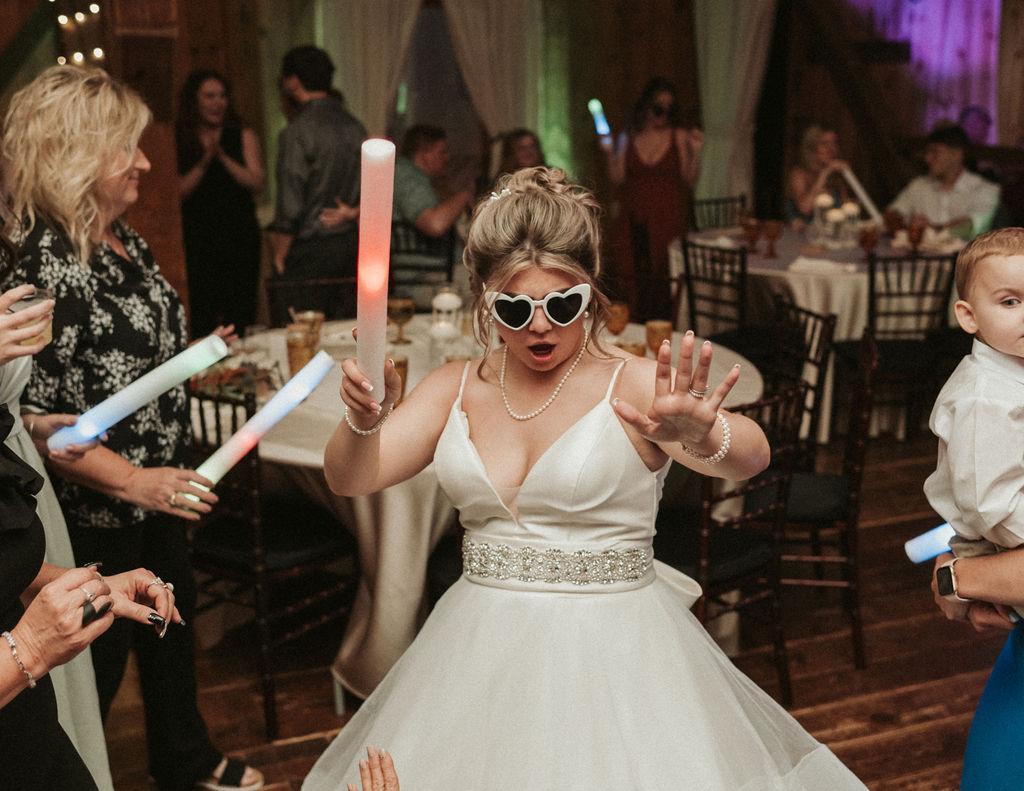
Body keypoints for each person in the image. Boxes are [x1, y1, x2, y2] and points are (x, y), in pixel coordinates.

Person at [304, 167, 865, 789]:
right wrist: (362, 422)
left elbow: (753, 456)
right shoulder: (454, 386)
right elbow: (350, 478)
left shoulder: (633, 382)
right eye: (515, 308)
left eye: (562, 304)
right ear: (486, 302)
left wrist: (704, 435)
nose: (540, 326)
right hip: (476, 652)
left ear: (591, 292)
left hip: (618, 655)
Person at [2, 66, 263, 791]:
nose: (146, 162)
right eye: (127, 147)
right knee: (93, 663)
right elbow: (35, 418)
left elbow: (133, 354)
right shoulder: (44, 261)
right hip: (95, 505)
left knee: (168, 627)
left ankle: (184, 756)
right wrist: (132, 481)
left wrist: (196, 360)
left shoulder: (121, 239)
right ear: (76, 152)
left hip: (155, 485)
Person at [925, 229, 1024, 566]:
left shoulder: (1013, 370)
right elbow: (990, 508)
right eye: (1010, 302)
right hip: (997, 551)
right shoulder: (985, 399)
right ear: (969, 316)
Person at [601, 77, 703, 324]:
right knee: (628, 271)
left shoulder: (678, 136)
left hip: (668, 216)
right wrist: (610, 153)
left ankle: (663, 331)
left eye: (670, 109)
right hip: (633, 214)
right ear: (646, 106)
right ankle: (632, 328)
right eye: (658, 108)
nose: (663, 115)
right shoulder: (628, 137)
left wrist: (697, 153)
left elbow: (689, 179)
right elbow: (617, 178)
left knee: (663, 276)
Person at [176, 69, 263, 337]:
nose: (217, 103)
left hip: (239, 235)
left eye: (222, 96)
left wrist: (222, 156)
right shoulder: (181, 137)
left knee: (241, 309)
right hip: (199, 238)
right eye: (209, 96)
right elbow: (177, 192)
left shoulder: (243, 134)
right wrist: (205, 161)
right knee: (203, 310)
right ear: (195, 100)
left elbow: (256, 182)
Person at [268, 46, 366, 283]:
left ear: (293, 82)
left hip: (311, 248)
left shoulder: (297, 131)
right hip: (351, 244)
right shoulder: (355, 126)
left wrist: (280, 251)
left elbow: (290, 202)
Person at [391, 125, 474, 307]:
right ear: (423, 154)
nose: (446, 158)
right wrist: (464, 195)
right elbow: (434, 225)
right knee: (485, 285)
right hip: (421, 278)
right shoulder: (407, 179)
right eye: (441, 152)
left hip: (434, 272)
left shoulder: (419, 180)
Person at [887, 124, 1000, 239]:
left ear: (957, 154)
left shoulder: (985, 189)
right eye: (927, 152)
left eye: (935, 152)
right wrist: (904, 225)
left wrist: (931, 229)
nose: (927, 158)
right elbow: (892, 214)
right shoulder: (919, 186)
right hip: (918, 251)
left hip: (966, 251)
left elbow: (972, 226)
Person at [785, 125, 850, 224]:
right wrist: (825, 173)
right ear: (811, 148)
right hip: (804, 233)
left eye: (834, 143)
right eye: (825, 144)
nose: (831, 149)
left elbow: (846, 213)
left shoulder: (836, 179)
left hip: (829, 232)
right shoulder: (799, 174)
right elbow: (805, 208)